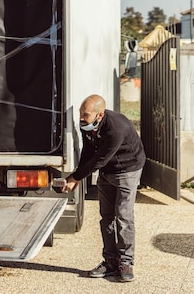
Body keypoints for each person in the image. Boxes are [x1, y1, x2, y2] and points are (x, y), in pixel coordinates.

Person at [62, 94, 146, 283]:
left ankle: (126, 263)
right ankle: (110, 262)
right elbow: (88, 151)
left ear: (99, 115)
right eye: (81, 114)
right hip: (107, 171)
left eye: (86, 115)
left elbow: (100, 159)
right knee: (106, 216)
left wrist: (75, 177)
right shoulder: (87, 125)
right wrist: (77, 175)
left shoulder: (116, 128)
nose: (82, 119)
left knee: (123, 216)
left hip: (128, 169)